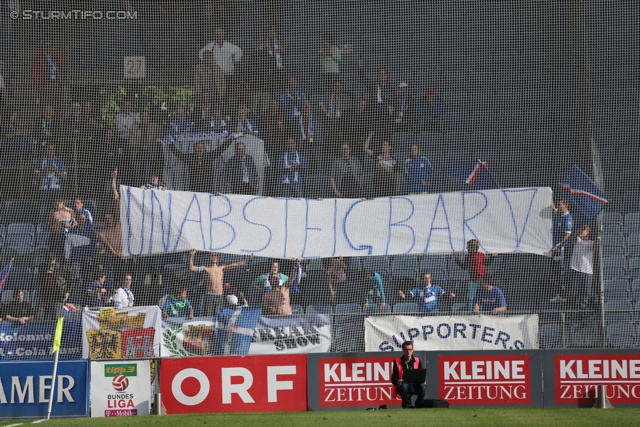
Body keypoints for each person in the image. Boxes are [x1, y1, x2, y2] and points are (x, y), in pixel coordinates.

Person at [189, 249, 254, 317]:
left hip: (219, 296)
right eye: (212, 255)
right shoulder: (205, 268)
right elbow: (192, 268)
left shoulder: (221, 268)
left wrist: (247, 260)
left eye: (216, 255)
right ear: (209, 257)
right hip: (209, 296)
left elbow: (235, 265)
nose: (214, 257)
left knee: (219, 317)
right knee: (207, 316)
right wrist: (192, 256)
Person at [168, 136, 234, 193]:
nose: (200, 149)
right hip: (194, 188)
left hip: (207, 188)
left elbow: (221, 149)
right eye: (198, 147)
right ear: (194, 149)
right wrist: (170, 143)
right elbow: (179, 155)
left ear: (204, 149)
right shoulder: (190, 157)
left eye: (201, 147)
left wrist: (230, 139)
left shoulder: (209, 156)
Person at [455, 239, 497, 311]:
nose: (467, 249)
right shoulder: (468, 257)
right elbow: (464, 267)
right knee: (471, 298)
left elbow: (487, 263)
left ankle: (484, 310)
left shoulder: (481, 255)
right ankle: (471, 311)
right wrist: (457, 259)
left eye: (469, 247)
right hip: (473, 281)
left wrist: (492, 257)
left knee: (483, 296)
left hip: (483, 281)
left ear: (474, 248)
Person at [198, 30, 242, 99]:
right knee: (217, 94)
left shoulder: (229, 45)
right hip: (216, 75)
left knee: (228, 93)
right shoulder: (211, 45)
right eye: (217, 36)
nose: (219, 37)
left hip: (228, 74)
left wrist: (235, 60)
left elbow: (239, 51)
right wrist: (206, 61)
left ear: (223, 36)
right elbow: (201, 53)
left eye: (221, 36)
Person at [569, 225, 600, 310]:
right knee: (574, 292)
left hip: (587, 271)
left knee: (586, 293)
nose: (581, 231)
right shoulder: (578, 241)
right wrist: (578, 231)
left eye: (583, 230)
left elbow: (595, 246)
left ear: (587, 232)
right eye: (581, 229)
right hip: (576, 269)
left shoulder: (590, 243)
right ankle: (573, 311)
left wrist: (597, 240)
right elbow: (574, 236)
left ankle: (583, 313)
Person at [549, 198, 573, 303]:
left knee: (561, 272)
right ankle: (558, 294)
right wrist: (548, 194)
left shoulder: (568, 218)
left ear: (565, 205)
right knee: (556, 271)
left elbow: (568, 234)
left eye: (560, 205)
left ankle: (563, 295)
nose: (559, 207)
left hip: (561, 250)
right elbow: (553, 208)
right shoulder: (559, 215)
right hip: (555, 250)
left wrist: (558, 245)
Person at [363, 131, 401, 197]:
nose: (383, 147)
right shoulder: (377, 156)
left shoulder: (394, 160)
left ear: (389, 147)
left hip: (389, 186)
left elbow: (397, 175)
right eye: (383, 145)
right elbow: (365, 149)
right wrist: (369, 137)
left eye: (385, 145)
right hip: (378, 185)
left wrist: (397, 187)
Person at [391, 341, 427, 408]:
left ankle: (418, 403)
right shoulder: (397, 362)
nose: (408, 351)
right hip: (403, 385)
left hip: (415, 384)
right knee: (404, 386)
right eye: (406, 349)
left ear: (413, 350)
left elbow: (421, 374)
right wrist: (398, 381)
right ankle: (406, 404)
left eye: (410, 349)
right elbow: (393, 379)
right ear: (403, 350)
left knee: (423, 386)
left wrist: (423, 380)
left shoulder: (417, 360)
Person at [35, 144, 67, 209]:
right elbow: (35, 176)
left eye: (52, 149)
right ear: (46, 150)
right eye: (49, 149)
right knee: (43, 211)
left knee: (57, 210)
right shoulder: (40, 162)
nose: (50, 151)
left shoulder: (59, 162)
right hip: (44, 190)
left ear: (54, 150)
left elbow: (65, 177)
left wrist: (56, 170)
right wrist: (44, 170)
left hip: (56, 191)